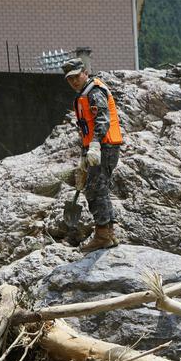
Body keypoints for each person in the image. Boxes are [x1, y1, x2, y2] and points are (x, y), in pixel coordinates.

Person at [61, 57, 124, 253]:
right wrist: (84, 154)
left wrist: (95, 144)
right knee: (99, 188)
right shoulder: (83, 94)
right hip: (97, 148)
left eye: (76, 77)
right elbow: (85, 128)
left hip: (105, 147)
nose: (73, 81)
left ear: (85, 72)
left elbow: (102, 120)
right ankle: (108, 233)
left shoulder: (94, 91)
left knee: (95, 190)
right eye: (69, 79)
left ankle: (102, 234)